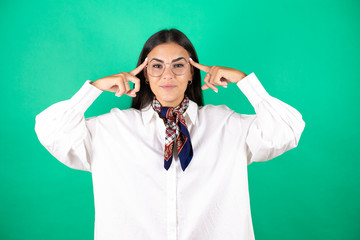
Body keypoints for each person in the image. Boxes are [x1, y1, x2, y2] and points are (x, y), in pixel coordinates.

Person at [35, 28, 305, 240]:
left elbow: (287, 130)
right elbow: (50, 131)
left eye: (178, 65)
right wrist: (94, 88)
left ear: (191, 74)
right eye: (156, 66)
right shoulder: (112, 129)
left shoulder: (226, 125)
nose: (167, 74)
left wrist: (245, 81)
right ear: (145, 74)